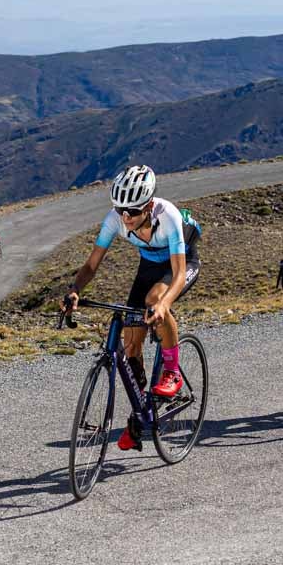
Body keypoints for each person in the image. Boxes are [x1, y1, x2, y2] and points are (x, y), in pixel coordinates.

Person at [65, 165, 202, 449]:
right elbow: (91, 265)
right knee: (131, 343)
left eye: (133, 212)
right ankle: (141, 414)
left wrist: (164, 304)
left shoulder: (169, 217)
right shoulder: (115, 219)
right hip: (150, 264)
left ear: (149, 206)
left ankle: (172, 372)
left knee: (154, 301)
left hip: (182, 262)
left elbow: (177, 276)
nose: (125, 218)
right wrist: (75, 290)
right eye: (120, 210)